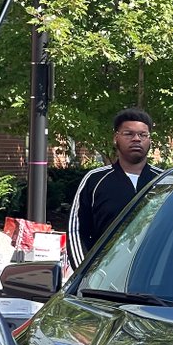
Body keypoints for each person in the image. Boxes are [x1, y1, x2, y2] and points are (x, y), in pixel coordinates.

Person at [67, 107, 161, 268]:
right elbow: (76, 231)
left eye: (143, 135)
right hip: (105, 278)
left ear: (149, 140)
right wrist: (85, 274)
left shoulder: (164, 182)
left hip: (154, 277)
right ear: (115, 138)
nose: (136, 139)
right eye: (129, 134)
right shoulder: (95, 180)